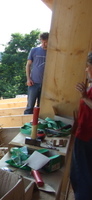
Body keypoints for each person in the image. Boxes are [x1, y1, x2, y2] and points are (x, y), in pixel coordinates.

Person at [70, 52, 92, 200]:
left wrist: (84, 97)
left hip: (87, 137)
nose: (86, 69)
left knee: (82, 176)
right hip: (83, 133)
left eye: (88, 66)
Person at [24, 32, 49, 114]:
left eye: (46, 42)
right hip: (34, 82)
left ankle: (37, 125)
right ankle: (26, 124)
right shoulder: (34, 50)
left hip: (46, 85)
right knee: (30, 106)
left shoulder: (53, 52)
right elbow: (28, 65)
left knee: (41, 107)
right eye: (42, 42)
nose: (44, 44)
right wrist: (28, 79)